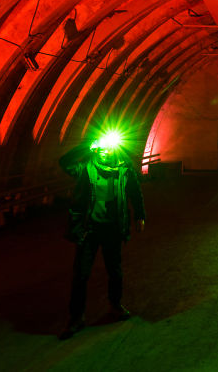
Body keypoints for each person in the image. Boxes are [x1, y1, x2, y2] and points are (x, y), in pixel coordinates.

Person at [58, 135, 146, 340]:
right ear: (96, 150)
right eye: (102, 148)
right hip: (89, 230)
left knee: (115, 271)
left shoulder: (124, 170)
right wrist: (85, 146)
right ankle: (76, 318)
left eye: (110, 147)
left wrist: (140, 215)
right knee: (81, 274)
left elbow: (135, 192)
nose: (106, 151)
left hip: (113, 229)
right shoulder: (84, 169)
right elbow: (64, 163)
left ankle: (115, 306)